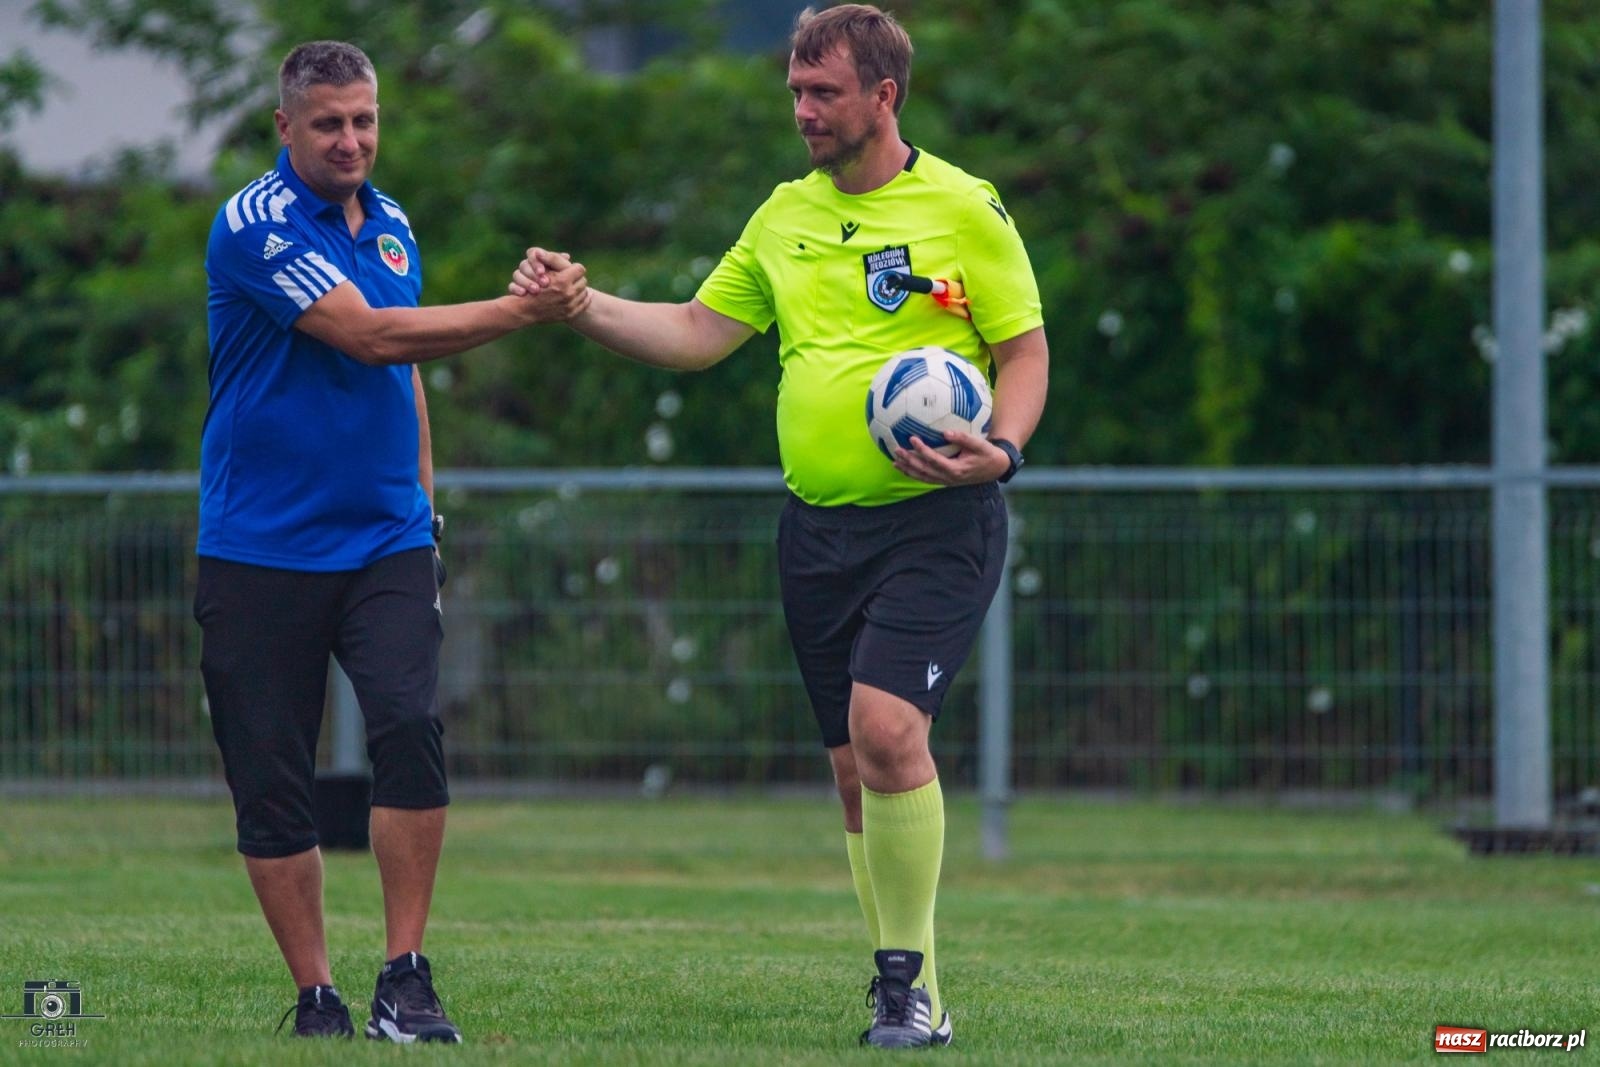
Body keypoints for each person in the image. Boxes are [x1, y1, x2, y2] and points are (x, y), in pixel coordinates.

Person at [510, 4, 1047, 1049]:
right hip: (815, 531)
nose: (803, 110)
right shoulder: (782, 215)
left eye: (824, 93)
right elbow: (699, 332)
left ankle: (908, 989)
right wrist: (580, 305)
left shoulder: (962, 208)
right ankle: (908, 986)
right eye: (796, 91)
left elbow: (1022, 350)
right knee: (853, 770)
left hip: (937, 518)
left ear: (882, 97)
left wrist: (1006, 447)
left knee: (892, 733)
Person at [197, 40, 587, 1042]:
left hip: (387, 539)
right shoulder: (255, 226)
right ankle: (317, 991)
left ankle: (404, 974)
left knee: (410, 724)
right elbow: (370, 334)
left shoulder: (395, 220)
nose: (350, 139)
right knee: (269, 773)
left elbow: (402, 368)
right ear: (284, 125)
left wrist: (424, 509)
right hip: (260, 547)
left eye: (364, 120)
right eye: (328, 123)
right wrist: (520, 311)